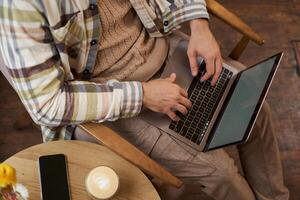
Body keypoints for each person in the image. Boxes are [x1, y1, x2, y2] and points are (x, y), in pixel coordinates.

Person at [0, 0, 289, 199]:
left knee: (256, 112)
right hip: (118, 98)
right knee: (221, 173)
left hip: (164, 46)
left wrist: (199, 24)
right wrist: (144, 95)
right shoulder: (20, 7)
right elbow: (47, 104)